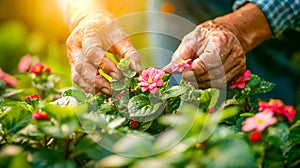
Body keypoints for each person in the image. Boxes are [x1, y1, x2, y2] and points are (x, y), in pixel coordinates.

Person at [62, 0, 300, 104]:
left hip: (257, 15)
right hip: (175, 8)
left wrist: (242, 27)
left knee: (252, 129)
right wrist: (87, 16)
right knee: (179, 118)